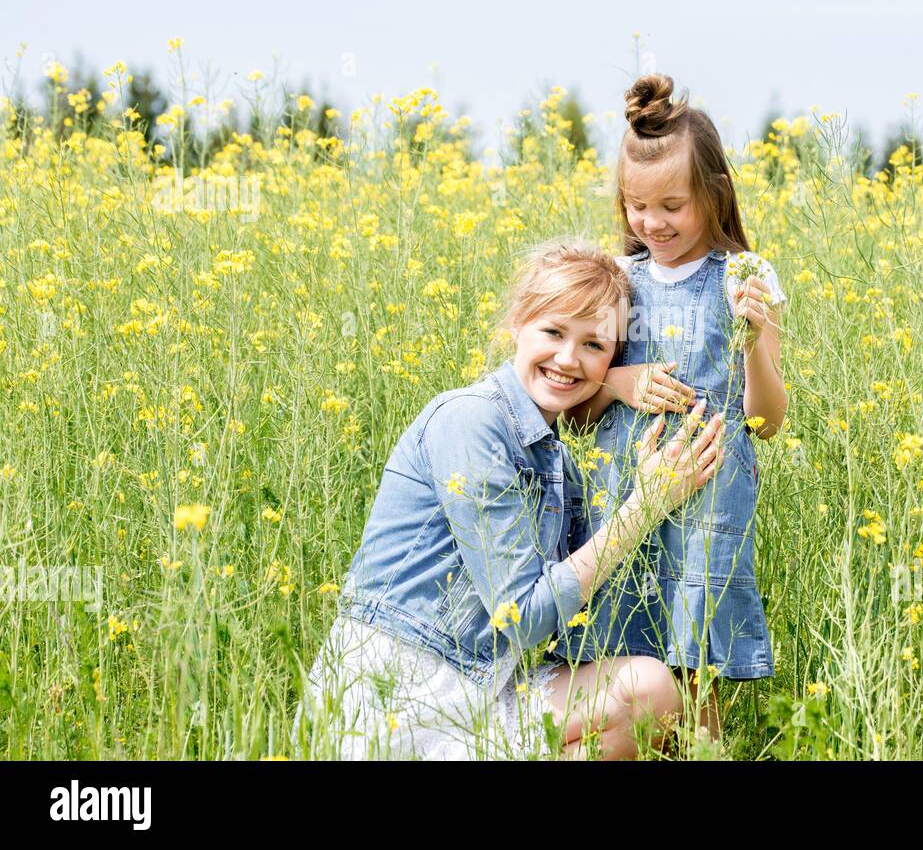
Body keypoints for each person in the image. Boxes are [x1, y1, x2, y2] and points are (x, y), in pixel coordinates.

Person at [294, 240, 727, 759]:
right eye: (553, 332)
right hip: (393, 701)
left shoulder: (555, 461)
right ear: (518, 323)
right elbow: (521, 615)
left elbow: (585, 595)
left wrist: (609, 389)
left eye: (595, 345)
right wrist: (645, 505)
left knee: (655, 692)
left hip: (480, 689)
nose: (568, 358)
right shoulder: (470, 421)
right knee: (647, 689)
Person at [559, 75, 787, 736]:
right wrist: (619, 382)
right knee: (619, 642)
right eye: (636, 206)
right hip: (621, 490)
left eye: (671, 205)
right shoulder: (617, 278)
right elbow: (571, 392)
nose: (651, 223)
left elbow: (768, 420)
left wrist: (751, 343)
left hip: (710, 496)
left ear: (714, 195)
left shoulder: (745, 275)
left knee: (695, 658)